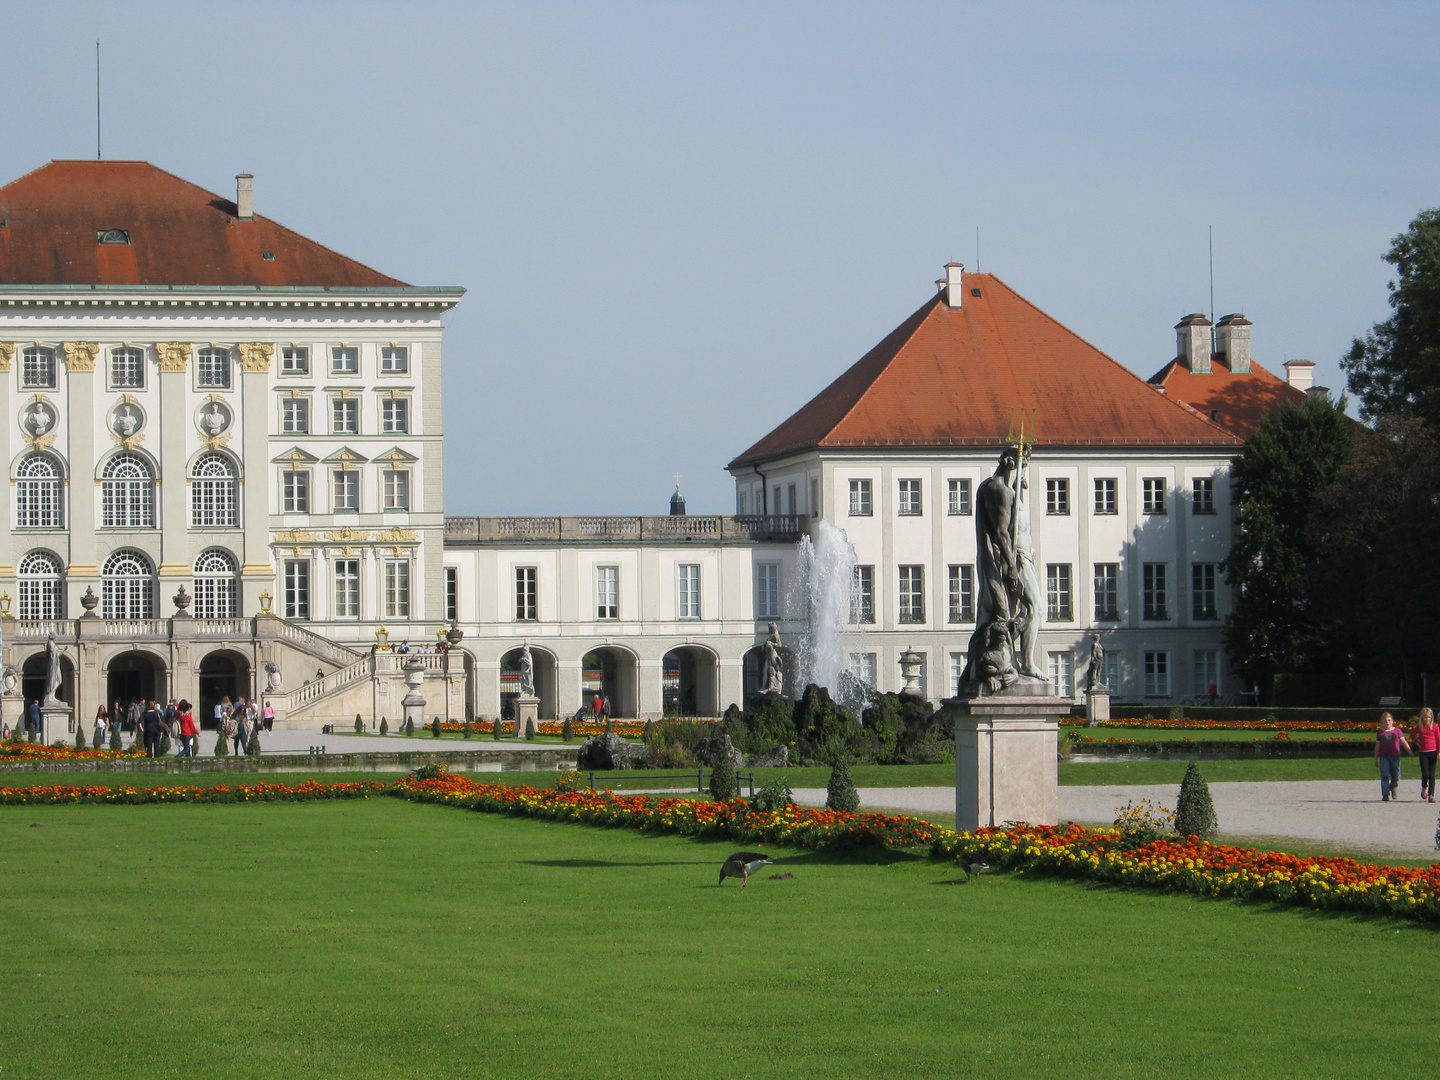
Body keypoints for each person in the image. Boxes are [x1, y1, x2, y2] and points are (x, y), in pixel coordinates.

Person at [1375, 713, 1411, 802]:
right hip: (1384, 756)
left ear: (1393, 721)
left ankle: (1393, 788)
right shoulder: (1380, 733)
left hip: (1395, 756)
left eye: (1389, 720)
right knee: (1385, 775)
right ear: (1382, 722)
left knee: (1396, 776)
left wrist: (1409, 751)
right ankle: (1385, 794)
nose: (1387, 722)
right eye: (1385, 721)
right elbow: (1377, 746)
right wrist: (1375, 758)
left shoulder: (1397, 731)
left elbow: (1403, 742)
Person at [1414, 708, 1439, 803]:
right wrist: (1417, 742)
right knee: (1425, 773)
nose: (1427, 719)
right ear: (1422, 718)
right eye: (1425, 717)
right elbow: (1412, 735)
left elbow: (1439, 739)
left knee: (1432, 775)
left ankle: (1431, 794)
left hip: (1433, 752)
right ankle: (1424, 787)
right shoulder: (1420, 727)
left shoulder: (1435, 727)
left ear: (1431, 718)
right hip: (1423, 753)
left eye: (1428, 717)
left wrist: (1439, 752)